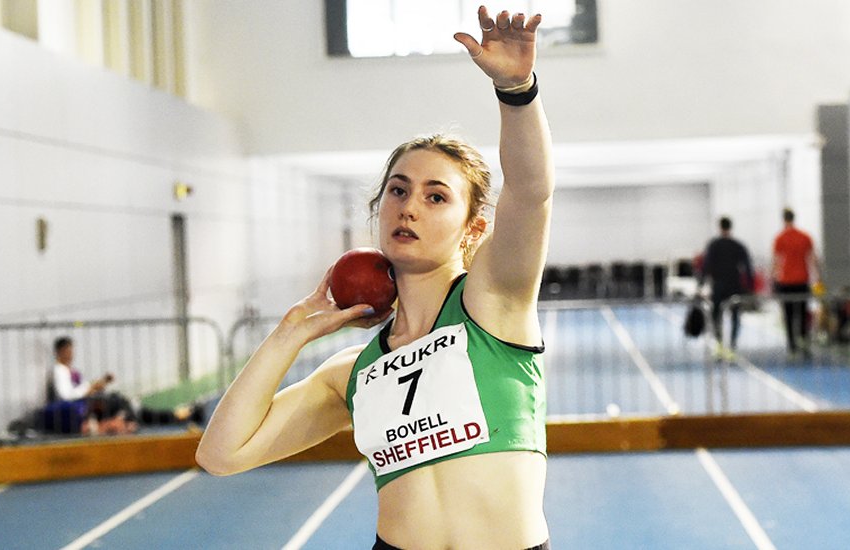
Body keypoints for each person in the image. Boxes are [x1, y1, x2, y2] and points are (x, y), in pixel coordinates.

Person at [196, 7, 553, 549]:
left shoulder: (491, 305)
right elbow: (220, 454)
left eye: (437, 196)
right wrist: (291, 331)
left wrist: (516, 88)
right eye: (398, 190)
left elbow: (530, 192)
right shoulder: (354, 372)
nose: (410, 207)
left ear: (473, 227)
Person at [47, 336, 203, 435]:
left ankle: (181, 414)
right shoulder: (58, 371)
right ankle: (179, 415)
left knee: (132, 407)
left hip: (88, 403)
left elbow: (81, 389)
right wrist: (91, 389)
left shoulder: (69, 370)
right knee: (126, 405)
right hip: (81, 407)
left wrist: (98, 384)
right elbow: (67, 395)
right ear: (60, 352)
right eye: (68, 350)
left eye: (71, 350)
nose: (71, 354)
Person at [698, 217, 754, 359]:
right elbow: (747, 266)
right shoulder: (737, 245)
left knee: (717, 315)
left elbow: (706, 265)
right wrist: (750, 285)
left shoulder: (714, 245)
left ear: (719, 227)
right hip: (734, 285)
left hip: (718, 285)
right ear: (731, 227)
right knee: (735, 316)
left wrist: (701, 283)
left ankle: (719, 344)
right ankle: (732, 345)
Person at [772, 208, 822, 358]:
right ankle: (803, 342)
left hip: (786, 281)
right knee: (802, 313)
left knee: (788, 315)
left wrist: (773, 280)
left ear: (783, 219)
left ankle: (792, 347)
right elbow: (813, 258)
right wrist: (818, 277)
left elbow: (776, 261)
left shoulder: (780, 238)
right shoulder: (805, 237)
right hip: (802, 280)